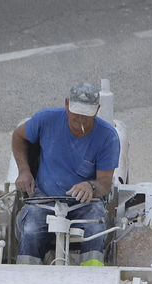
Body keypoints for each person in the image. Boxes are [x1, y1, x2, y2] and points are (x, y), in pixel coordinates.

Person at [11, 81, 120, 265]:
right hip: (44, 197)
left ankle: (92, 278)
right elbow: (18, 137)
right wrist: (24, 170)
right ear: (67, 104)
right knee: (29, 230)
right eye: (76, 112)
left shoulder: (107, 137)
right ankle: (26, 278)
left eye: (87, 114)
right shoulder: (46, 120)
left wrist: (91, 186)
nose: (81, 119)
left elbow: (104, 182)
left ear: (97, 109)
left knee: (96, 229)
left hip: (85, 203)